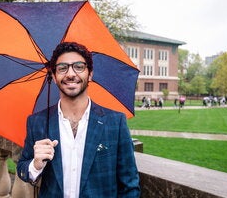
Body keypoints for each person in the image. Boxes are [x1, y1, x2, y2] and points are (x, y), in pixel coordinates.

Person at [17, 42, 141, 197]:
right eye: (62, 68)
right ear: (54, 76)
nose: (70, 74)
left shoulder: (115, 122)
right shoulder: (38, 122)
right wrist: (35, 165)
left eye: (79, 66)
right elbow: (22, 169)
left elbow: (130, 186)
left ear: (90, 74)